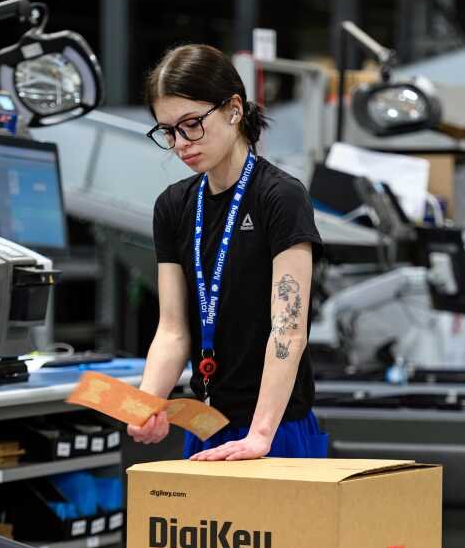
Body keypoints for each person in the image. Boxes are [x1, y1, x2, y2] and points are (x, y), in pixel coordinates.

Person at [126, 44, 327, 461]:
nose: (181, 143)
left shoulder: (279, 197)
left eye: (192, 124)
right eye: (168, 131)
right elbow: (173, 329)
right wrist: (147, 403)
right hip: (205, 424)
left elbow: (288, 328)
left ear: (234, 109)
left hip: (274, 429)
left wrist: (260, 434)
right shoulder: (174, 206)